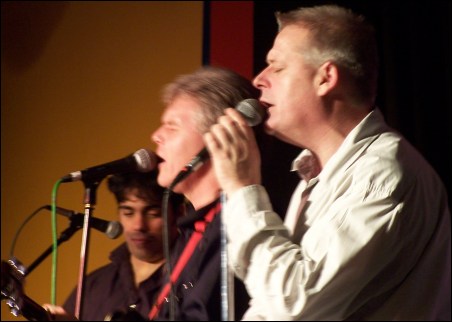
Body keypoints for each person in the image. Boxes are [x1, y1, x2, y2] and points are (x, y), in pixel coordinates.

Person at [204, 4, 451, 321]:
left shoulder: (380, 174)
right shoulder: (318, 172)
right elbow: (269, 305)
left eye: (277, 68)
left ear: (326, 78)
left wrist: (243, 189)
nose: (259, 79)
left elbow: (295, 305)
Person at [150, 65, 260, 320]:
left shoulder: (236, 225)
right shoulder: (193, 228)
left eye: (172, 126)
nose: (156, 136)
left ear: (220, 138)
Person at [43, 170, 185, 321]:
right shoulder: (94, 285)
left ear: (179, 214)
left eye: (153, 213)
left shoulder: (195, 277)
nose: (138, 225)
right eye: (128, 213)